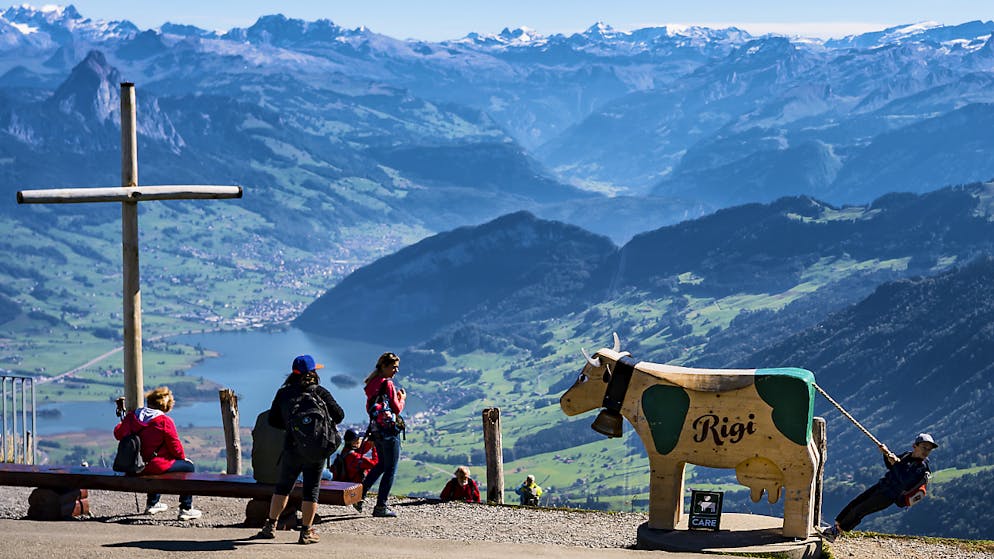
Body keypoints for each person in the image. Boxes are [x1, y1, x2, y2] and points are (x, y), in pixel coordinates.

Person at [255, 355, 344, 545]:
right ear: (313, 372)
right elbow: (339, 415)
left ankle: (270, 526)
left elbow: (273, 420)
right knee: (311, 490)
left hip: (292, 446)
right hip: (316, 450)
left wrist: (293, 428)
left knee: (283, 487)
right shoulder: (320, 392)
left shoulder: (284, 393)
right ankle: (306, 532)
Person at [822, 433, 938, 541]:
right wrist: (886, 454)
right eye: (924, 447)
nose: (926, 451)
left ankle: (835, 532)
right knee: (856, 503)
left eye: (929, 449)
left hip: (889, 496)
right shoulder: (907, 455)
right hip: (881, 486)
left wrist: (895, 464)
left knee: (860, 510)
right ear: (915, 446)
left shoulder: (922, 468)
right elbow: (891, 467)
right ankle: (835, 526)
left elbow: (904, 480)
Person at [113, 386, 202, 521]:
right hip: (154, 466)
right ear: (166, 406)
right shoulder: (164, 422)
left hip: (134, 465)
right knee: (188, 467)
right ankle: (186, 508)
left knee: (154, 464)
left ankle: (153, 503)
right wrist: (184, 459)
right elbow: (176, 448)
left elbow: (118, 434)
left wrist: (124, 423)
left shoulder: (132, 416)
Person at [360, 352, 406, 518]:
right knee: (390, 468)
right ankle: (381, 506)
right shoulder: (387, 384)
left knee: (381, 464)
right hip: (389, 430)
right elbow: (396, 408)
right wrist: (402, 398)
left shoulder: (372, 383)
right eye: (394, 367)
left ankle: (360, 496)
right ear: (384, 367)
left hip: (376, 430)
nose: (396, 371)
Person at [339, 429, 379, 511]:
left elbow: (361, 449)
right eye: (360, 439)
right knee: (371, 471)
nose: (361, 440)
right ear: (354, 442)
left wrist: (369, 442)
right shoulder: (355, 458)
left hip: (346, 481)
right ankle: (359, 498)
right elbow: (375, 464)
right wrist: (374, 448)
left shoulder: (345, 452)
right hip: (354, 485)